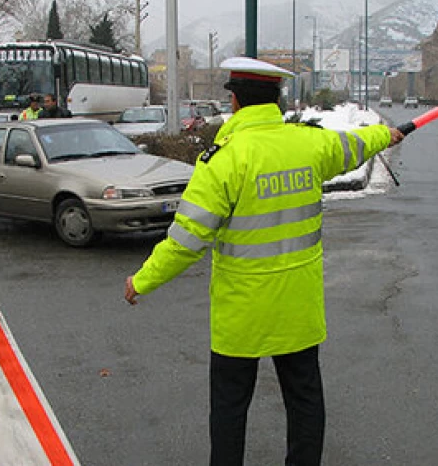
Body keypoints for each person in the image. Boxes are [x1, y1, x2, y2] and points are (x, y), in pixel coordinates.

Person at [123, 56, 405, 466]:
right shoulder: (310, 144)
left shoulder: (224, 160)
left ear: (235, 102)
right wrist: (387, 133)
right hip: (298, 309)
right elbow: (355, 144)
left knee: (230, 408)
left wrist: (143, 280)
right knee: (305, 400)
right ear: (275, 99)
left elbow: (185, 242)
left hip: (242, 315)